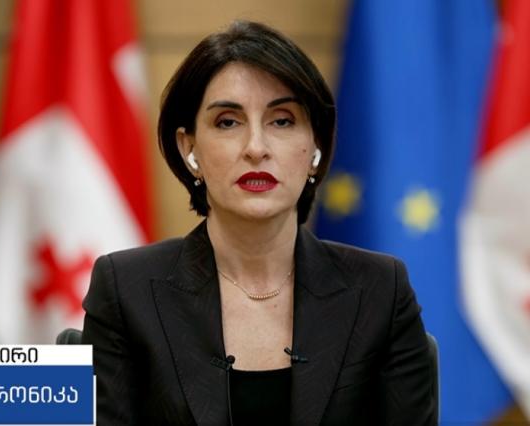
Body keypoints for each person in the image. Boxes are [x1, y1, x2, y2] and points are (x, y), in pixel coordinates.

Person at [81, 20, 435, 426]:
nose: (256, 148)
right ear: (189, 147)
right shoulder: (124, 289)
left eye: (282, 120)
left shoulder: (381, 291)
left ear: (316, 145)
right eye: (228, 122)